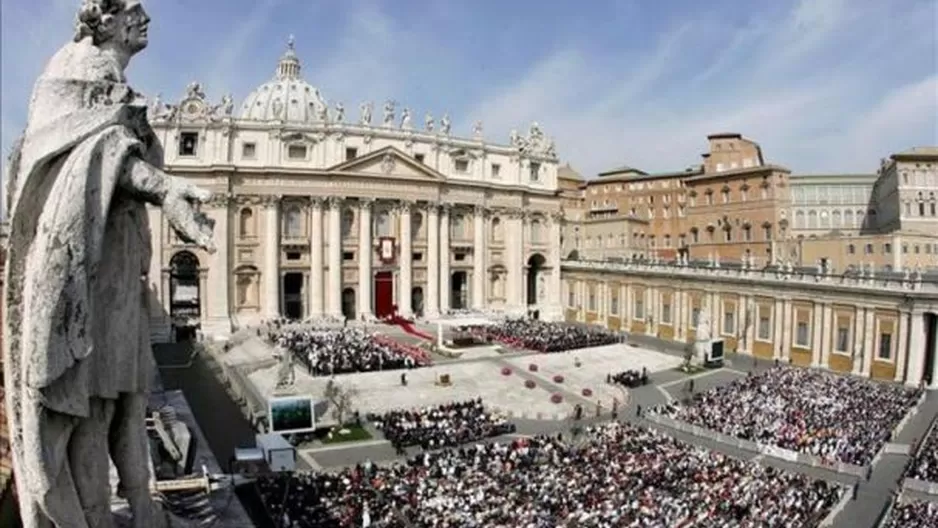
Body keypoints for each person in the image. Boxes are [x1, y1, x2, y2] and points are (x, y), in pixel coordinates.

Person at [3, 1, 215, 526]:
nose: (147, 19)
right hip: (91, 267)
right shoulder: (77, 69)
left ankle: (142, 507)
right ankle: (97, 514)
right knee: (92, 403)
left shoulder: (110, 80)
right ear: (106, 17)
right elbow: (96, 150)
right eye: (136, 10)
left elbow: (113, 149)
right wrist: (163, 187)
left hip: (115, 256)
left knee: (124, 396)